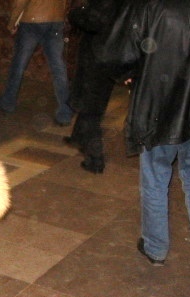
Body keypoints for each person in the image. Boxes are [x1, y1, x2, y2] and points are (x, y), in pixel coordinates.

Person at [95, 0, 190, 290]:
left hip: (158, 104)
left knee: (155, 177)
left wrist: (128, 73)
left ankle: (155, 248)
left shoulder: (149, 3)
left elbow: (116, 52)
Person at [0, 0, 74, 126]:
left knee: (19, 64)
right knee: (58, 68)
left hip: (32, 20)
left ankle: (7, 103)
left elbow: (20, 2)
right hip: (56, 20)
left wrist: (12, 22)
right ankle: (65, 112)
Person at [65, 0, 120, 174]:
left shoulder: (107, 4)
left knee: (91, 110)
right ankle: (77, 136)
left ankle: (96, 159)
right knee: (90, 103)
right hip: (107, 56)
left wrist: (75, 14)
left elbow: (93, 20)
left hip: (98, 58)